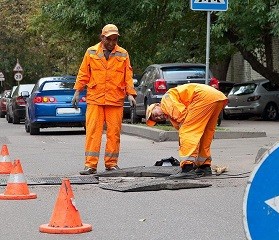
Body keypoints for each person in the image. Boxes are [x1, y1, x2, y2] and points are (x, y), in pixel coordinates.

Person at [72, 24, 137, 175]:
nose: (112, 42)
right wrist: (77, 91)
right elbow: (83, 73)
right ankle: (90, 165)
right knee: (93, 132)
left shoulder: (123, 54)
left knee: (114, 133)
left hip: (115, 99)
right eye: (109, 39)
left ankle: (111, 164)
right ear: (102, 37)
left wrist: (130, 94)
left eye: (115, 39)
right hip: (95, 98)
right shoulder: (91, 52)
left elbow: (128, 76)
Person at [145, 83, 228, 179]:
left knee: (187, 131)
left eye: (155, 114)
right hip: (216, 97)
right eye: (156, 119)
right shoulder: (169, 109)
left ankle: (187, 168)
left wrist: (184, 134)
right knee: (205, 134)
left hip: (203, 97)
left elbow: (183, 117)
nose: (158, 117)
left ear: (157, 106)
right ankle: (204, 166)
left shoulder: (165, 101)